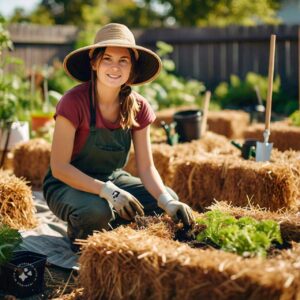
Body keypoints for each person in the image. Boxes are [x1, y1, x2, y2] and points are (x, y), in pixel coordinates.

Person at [43, 23, 194, 251]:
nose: (115, 67)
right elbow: (59, 168)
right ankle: (82, 233)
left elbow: (146, 167)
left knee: (166, 198)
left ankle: (114, 228)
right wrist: (108, 192)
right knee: (97, 211)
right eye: (107, 59)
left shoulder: (139, 106)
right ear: (94, 63)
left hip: (113, 178)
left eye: (123, 60)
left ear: (132, 67)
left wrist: (168, 202)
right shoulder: (73, 102)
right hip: (67, 184)